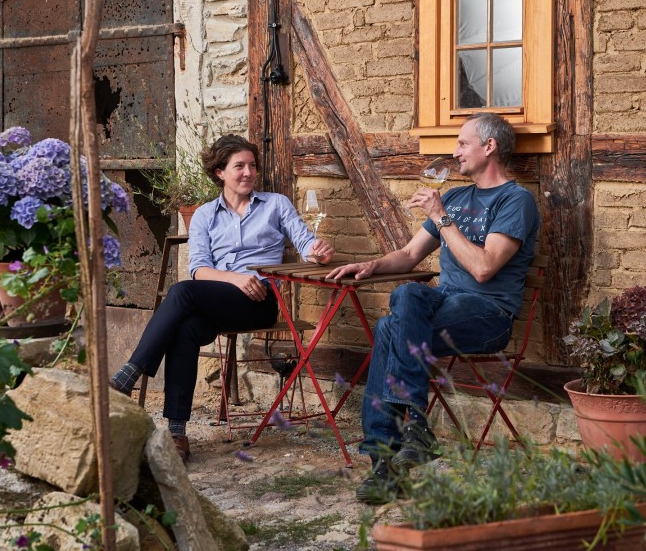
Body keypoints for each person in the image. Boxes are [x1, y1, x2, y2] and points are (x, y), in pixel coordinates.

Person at [326, 112, 539, 504]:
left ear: (489, 147)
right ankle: (413, 432)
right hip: (442, 305)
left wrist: (441, 217)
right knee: (405, 297)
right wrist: (371, 265)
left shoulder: (516, 201)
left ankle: (384, 463)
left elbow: (483, 267)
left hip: (487, 315)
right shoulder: (457, 196)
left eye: (462, 143)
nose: (454, 152)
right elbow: (409, 255)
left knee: (391, 329)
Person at [109, 134, 334, 461]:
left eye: (252, 166)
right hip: (220, 299)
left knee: (181, 291)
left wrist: (319, 252)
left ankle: (131, 371)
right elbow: (200, 269)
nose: (247, 173)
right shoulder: (204, 215)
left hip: (259, 303)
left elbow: (306, 244)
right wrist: (237, 278)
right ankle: (177, 432)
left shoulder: (275, 205)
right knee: (184, 330)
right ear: (220, 172)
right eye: (239, 166)